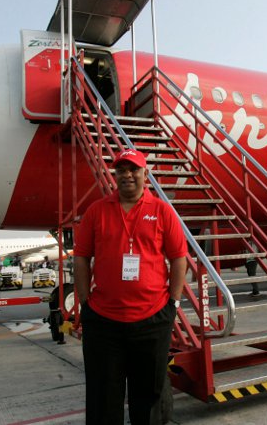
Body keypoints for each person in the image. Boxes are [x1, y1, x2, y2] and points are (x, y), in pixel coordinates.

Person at [74, 149, 187, 425]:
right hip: (103, 323)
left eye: (133, 169)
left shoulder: (162, 211)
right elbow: (81, 258)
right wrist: (86, 303)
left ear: (144, 174)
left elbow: (179, 259)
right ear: (115, 175)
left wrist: (173, 303)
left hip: (152, 321)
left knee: (148, 399)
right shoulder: (96, 211)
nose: (127, 175)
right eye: (121, 170)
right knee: (103, 399)